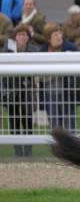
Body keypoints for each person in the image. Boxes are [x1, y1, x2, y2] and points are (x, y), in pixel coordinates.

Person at [1, 24, 38, 157]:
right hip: (11, 91)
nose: (22, 37)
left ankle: (28, 151)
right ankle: (17, 151)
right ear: (15, 36)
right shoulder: (8, 50)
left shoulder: (33, 50)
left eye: (25, 35)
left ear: (28, 37)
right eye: (19, 34)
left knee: (27, 120)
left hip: (27, 91)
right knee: (14, 121)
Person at [39, 22, 80, 131]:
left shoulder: (71, 48)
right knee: (55, 128)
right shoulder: (41, 52)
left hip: (67, 93)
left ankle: (71, 149)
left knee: (70, 128)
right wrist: (55, 74)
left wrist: (52, 72)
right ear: (49, 39)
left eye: (60, 33)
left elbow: (78, 68)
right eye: (55, 35)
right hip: (49, 94)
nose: (59, 37)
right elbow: (38, 76)